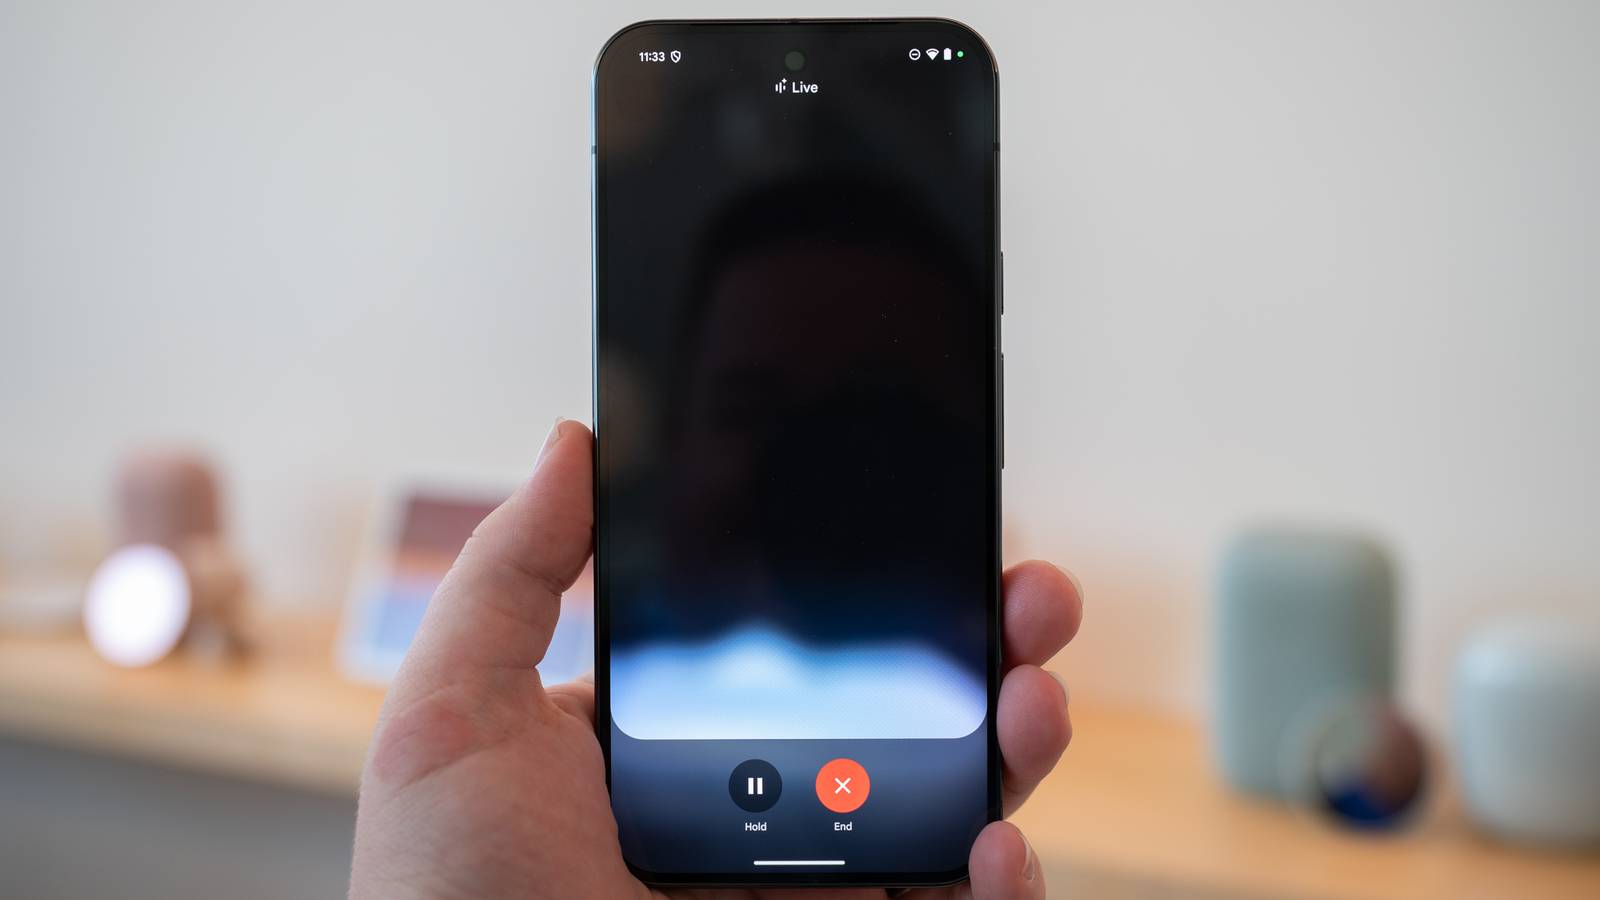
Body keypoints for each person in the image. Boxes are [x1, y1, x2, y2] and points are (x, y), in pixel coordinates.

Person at [349, 420, 1084, 899]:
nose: (806, 458)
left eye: (861, 402)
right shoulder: (642, 702)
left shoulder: (935, 699)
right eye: (752, 405)